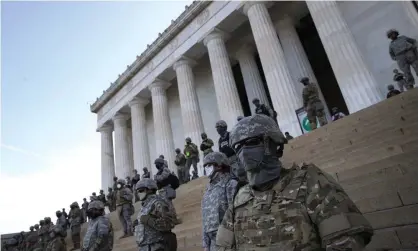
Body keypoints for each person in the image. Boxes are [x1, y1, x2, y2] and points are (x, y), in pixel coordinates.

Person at [216, 114, 373, 250]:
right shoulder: (239, 199)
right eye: (238, 147)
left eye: (251, 142)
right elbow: (223, 247)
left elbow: (346, 241)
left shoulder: (311, 182)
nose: (243, 151)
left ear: (274, 144)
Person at [201, 152, 238, 251]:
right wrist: (205, 244)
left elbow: (235, 213)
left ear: (219, 165)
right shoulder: (207, 190)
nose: (206, 168)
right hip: (213, 243)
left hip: (228, 240)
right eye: (205, 166)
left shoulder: (230, 184)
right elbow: (204, 219)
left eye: (209, 165)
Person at [134, 178, 177, 251]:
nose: (139, 193)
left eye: (141, 190)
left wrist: (149, 220)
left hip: (157, 246)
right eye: (137, 191)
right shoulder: (145, 206)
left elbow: (169, 224)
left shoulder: (158, 203)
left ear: (150, 190)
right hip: (145, 247)